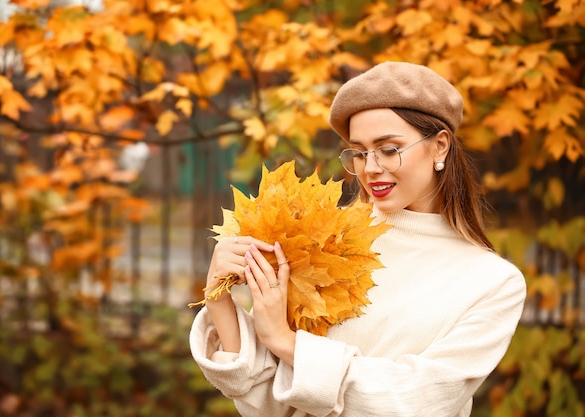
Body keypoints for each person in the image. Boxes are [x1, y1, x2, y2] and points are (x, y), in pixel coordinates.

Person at [189, 61, 526, 417]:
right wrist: (219, 301)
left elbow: (417, 402)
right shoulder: (323, 237)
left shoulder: (492, 282)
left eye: (389, 149)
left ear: (440, 146)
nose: (371, 167)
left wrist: (286, 344)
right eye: (360, 152)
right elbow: (269, 406)